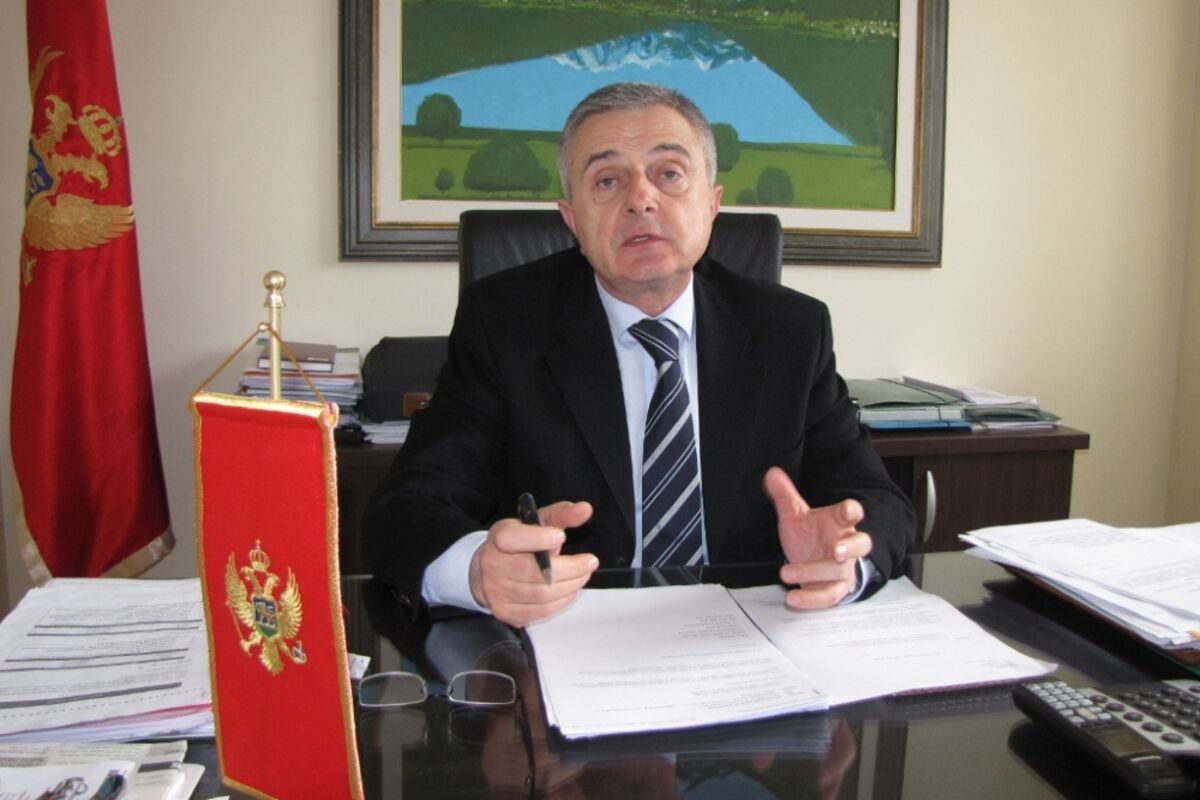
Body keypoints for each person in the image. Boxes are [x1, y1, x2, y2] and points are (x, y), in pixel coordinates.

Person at [364, 82, 915, 626]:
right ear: (572, 219)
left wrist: (845, 557)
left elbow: (876, 499)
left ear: (712, 203)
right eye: (607, 180)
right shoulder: (504, 326)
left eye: (669, 173)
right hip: (573, 641)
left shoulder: (790, 331)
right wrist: (478, 570)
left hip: (752, 637)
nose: (641, 199)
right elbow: (405, 508)